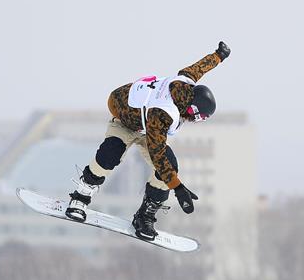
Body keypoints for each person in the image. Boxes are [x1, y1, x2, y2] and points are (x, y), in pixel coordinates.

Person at [66, 41, 231, 240]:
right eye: (199, 118)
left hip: (146, 127)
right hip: (125, 121)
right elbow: (157, 154)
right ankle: (81, 196)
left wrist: (218, 55)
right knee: (110, 155)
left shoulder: (186, 80)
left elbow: (200, 67)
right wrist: (177, 188)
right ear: (192, 110)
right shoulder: (164, 113)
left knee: (170, 167)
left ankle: (144, 216)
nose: (197, 122)